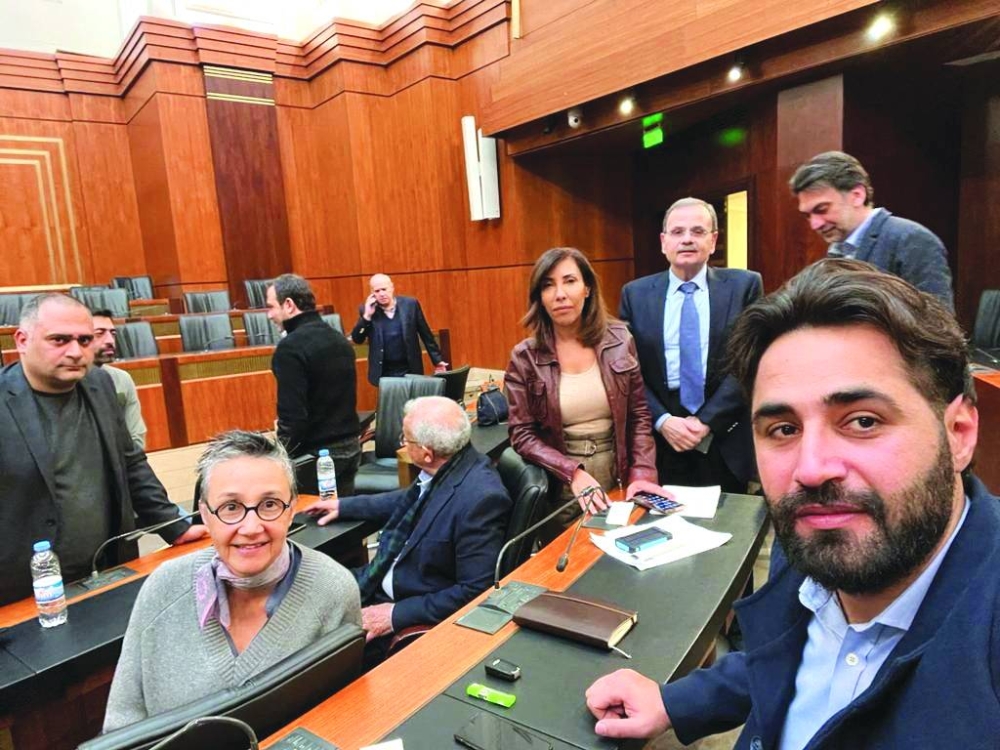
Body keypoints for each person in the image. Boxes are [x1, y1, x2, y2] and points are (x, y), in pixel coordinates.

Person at [585, 259, 999, 749]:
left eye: (863, 421)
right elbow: (788, 653)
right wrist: (674, 702)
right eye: (783, 429)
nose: (811, 470)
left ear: (958, 433)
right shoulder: (810, 538)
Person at [103, 430, 362, 730]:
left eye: (269, 504)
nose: (251, 528)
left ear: (291, 509)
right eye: (231, 508)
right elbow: (121, 723)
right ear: (205, 515)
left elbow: (342, 723)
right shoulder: (162, 588)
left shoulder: (333, 590)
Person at [0, 294, 205, 606]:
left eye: (84, 340)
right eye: (59, 340)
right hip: (24, 588)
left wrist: (173, 526)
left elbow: (130, 463)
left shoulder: (101, 384)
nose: (75, 352)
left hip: (107, 567)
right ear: (22, 340)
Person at [307, 396, 511, 665]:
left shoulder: (480, 499)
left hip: (406, 609)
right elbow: (407, 499)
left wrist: (393, 615)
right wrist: (344, 506)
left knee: (312, 648)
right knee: (308, 591)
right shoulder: (451, 465)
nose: (401, 444)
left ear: (426, 453)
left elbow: (475, 591)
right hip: (380, 579)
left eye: (405, 439)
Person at [505, 247, 661, 542]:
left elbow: (639, 415)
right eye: (548, 285)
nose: (560, 294)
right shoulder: (525, 357)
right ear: (540, 297)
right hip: (562, 487)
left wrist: (642, 473)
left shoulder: (619, 340)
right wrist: (573, 473)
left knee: (625, 558)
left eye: (570, 281)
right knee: (572, 563)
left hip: (620, 476)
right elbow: (521, 435)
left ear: (587, 288)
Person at [620, 198, 763, 493]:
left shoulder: (744, 286)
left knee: (728, 519)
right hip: (660, 439)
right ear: (663, 242)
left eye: (697, 231)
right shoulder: (635, 294)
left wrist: (706, 421)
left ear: (713, 241)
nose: (687, 239)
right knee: (661, 518)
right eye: (677, 232)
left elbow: (751, 360)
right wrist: (662, 420)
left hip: (724, 435)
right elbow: (628, 371)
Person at [790, 150, 954, 309]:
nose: (815, 224)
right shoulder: (836, 251)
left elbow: (939, 318)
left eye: (822, 209)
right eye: (808, 215)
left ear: (857, 195)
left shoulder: (912, 239)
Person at [266, 274, 361, 495]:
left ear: (289, 305)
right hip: (350, 450)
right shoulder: (339, 339)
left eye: (271, 307)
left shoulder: (290, 348)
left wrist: (276, 458)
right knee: (340, 514)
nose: (269, 315)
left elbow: (293, 418)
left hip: (316, 460)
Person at [350, 273, 448, 386]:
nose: (381, 294)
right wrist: (367, 316)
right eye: (377, 291)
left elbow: (426, 334)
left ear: (392, 287)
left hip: (410, 369)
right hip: (384, 373)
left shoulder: (410, 305)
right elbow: (357, 339)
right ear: (372, 293)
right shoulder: (367, 310)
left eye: (384, 289)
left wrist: (437, 360)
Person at [91, 309, 147, 450]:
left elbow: (136, 439)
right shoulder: (66, 383)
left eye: (113, 333)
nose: (110, 340)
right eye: (99, 334)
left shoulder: (122, 379)